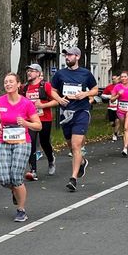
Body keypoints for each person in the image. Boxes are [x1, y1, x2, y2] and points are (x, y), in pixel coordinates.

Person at [0, 73, 42, 222]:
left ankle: (21, 209)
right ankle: (15, 191)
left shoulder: (26, 103)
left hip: (22, 142)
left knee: (16, 177)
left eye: (11, 82)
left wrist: (26, 123)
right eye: (6, 82)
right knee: (4, 179)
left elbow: (38, 125)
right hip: (4, 141)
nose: (8, 84)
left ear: (18, 84)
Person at [49, 47, 99, 192]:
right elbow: (52, 91)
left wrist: (85, 94)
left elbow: (95, 89)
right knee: (71, 146)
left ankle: (73, 179)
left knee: (76, 146)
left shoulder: (85, 73)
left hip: (81, 112)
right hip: (66, 113)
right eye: (66, 55)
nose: (67, 57)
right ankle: (82, 162)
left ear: (77, 57)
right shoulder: (60, 74)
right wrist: (59, 99)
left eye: (70, 55)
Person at [24, 64, 57, 179]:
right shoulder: (25, 88)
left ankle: (51, 159)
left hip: (44, 119)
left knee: (44, 142)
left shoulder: (45, 86)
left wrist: (42, 105)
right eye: (28, 71)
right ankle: (33, 170)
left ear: (38, 73)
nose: (29, 73)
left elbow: (56, 102)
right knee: (31, 142)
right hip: (31, 120)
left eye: (32, 71)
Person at [111, 71, 128, 157]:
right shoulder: (117, 87)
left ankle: (125, 148)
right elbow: (112, 99)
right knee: (124, 128)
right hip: (120, 110)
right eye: (122, 77)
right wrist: (118, 95)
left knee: (126, 128)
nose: (123, 78)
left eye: (125, 77)